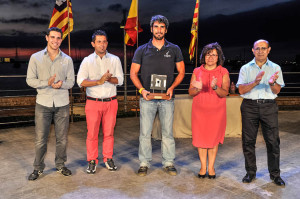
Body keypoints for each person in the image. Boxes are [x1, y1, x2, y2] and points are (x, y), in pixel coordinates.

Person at [130, 15, 185, 176]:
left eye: (162, 27)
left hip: (167, 99)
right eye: (156, 27)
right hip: (147, 98)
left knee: (167, 133)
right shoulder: (141, 50)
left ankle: (168, 162)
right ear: (151, 29)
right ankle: (144, 163)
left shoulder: (174, 49)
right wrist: (142, 90)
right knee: (145, 133)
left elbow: (181, 72)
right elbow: (133, 73)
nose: (159, 30)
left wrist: (172, 87)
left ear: (166, 30)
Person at [26, 27, 75, 180]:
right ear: (47, 38)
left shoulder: (67, 59)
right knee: (41, 139)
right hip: (43, 103)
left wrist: (62, 84)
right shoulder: (35, 57)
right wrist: (46, 82)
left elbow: (71, 82)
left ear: (61, 40)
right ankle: (38, 168)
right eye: (53, 37)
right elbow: (29, 80)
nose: (55, 40)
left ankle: (60, 165)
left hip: (62, 103)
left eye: (59, 38)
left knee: (62, 138)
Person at [236, 39, 285, 186]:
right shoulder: (245, 68)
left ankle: (275, 174)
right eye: (257, 48)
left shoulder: (276, 67)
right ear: (253, 50)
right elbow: (241, 90)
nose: (260, 51)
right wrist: (255, 82)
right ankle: (250, 173)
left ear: (269, 50)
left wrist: (271, 83)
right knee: (248, 141)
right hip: (249, 106)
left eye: (263, 48)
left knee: (273, 142)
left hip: (269, 106)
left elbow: (277, 90)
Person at [77, 30, 124, 174]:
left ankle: (108, 158)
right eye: (99, 42)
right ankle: (92, 160)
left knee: (109, 133)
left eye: (104, 41)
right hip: (93, 102)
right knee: (92, 134)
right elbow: (80, 81)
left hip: (111, 102)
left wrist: (109, 78)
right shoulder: (87, 61)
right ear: (93, 44)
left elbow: (120, 81)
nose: (102, 45)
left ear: (107, 43)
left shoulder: (115, 59)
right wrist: (99, 81)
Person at [188, 42, 230, 179]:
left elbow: (225, 93)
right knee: (201, 140)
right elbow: (190, 92)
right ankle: (202, 167)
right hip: (199, 111)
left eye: (214, 55)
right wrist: (197, 89)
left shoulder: (223, 72)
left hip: (216, 112)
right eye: (208, 54)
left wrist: (215, 87)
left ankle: (211, 167)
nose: (210, 57)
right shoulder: (196, 71)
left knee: (213, 141)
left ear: (218, 57)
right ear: (203, 56)